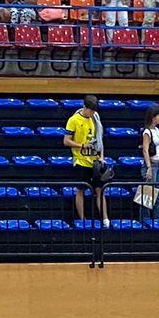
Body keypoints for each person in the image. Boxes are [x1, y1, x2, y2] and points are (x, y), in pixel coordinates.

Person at [65, 95, 109, 226]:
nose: (92, 113)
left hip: (95, 161)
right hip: (81, 161)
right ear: (85, 107)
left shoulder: (96, 119)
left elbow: (100, 140)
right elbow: (66, 141)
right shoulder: (74, 120)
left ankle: (105, 218)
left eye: (94, 111)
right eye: (91, 110)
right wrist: (82, 146)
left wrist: (101, 156)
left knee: (100, 190)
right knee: (81, 190)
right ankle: (83, 219)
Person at [135, 103, 159, 224]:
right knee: (147, 197)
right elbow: (145, 150)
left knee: (158, 197)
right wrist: (148, 167)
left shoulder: (157, 130)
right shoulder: (147, 132)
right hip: (151, 166)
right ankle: (145, 221)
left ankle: (158, 221)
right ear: (153, 117)